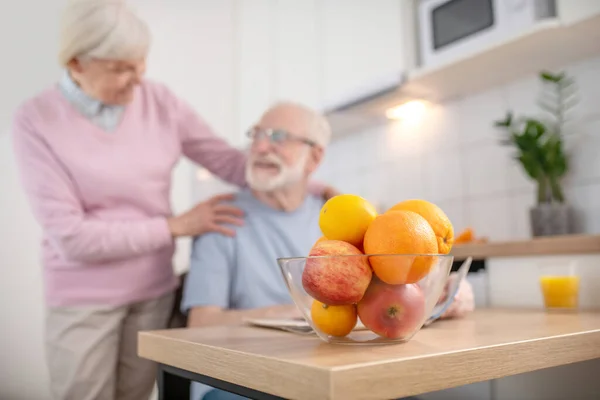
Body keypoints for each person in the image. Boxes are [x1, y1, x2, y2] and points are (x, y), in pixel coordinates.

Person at [9, 1, 335, 400]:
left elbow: (229, 162)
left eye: (140, 64)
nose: (137, 80)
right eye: (121, 68)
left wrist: (310, 184)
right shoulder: (36, 119)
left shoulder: (158, 100)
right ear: (77, 64)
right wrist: (175, 227)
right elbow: (71, 237)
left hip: (152, 292)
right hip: (84, 299)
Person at [181, 102, 476, 400]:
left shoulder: (341, 218)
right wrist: (295, 311)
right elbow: (201, 321)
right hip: (241, 378)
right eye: (256, 135)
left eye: (278, 137)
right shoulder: (220, 218)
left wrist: (432, 295)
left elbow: (381, 290)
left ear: (314, 157)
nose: (260, 146)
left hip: (330, 366)